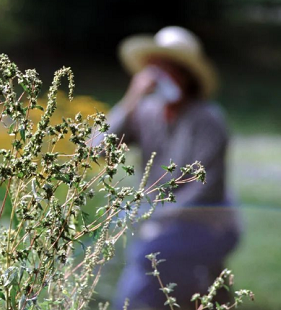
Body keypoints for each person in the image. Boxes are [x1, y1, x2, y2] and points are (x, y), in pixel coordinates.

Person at [96, 26, 241, 310]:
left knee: (149, 257)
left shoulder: (208, 120)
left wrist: (154, 222)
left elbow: (205, 191)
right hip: (163, 223)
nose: (160, 76)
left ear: (187, 76)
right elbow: (98, 149)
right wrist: (131, 99)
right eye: (155, 68)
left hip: (208, 224)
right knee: (159, 266)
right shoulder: (146, 112)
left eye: (170, 68)